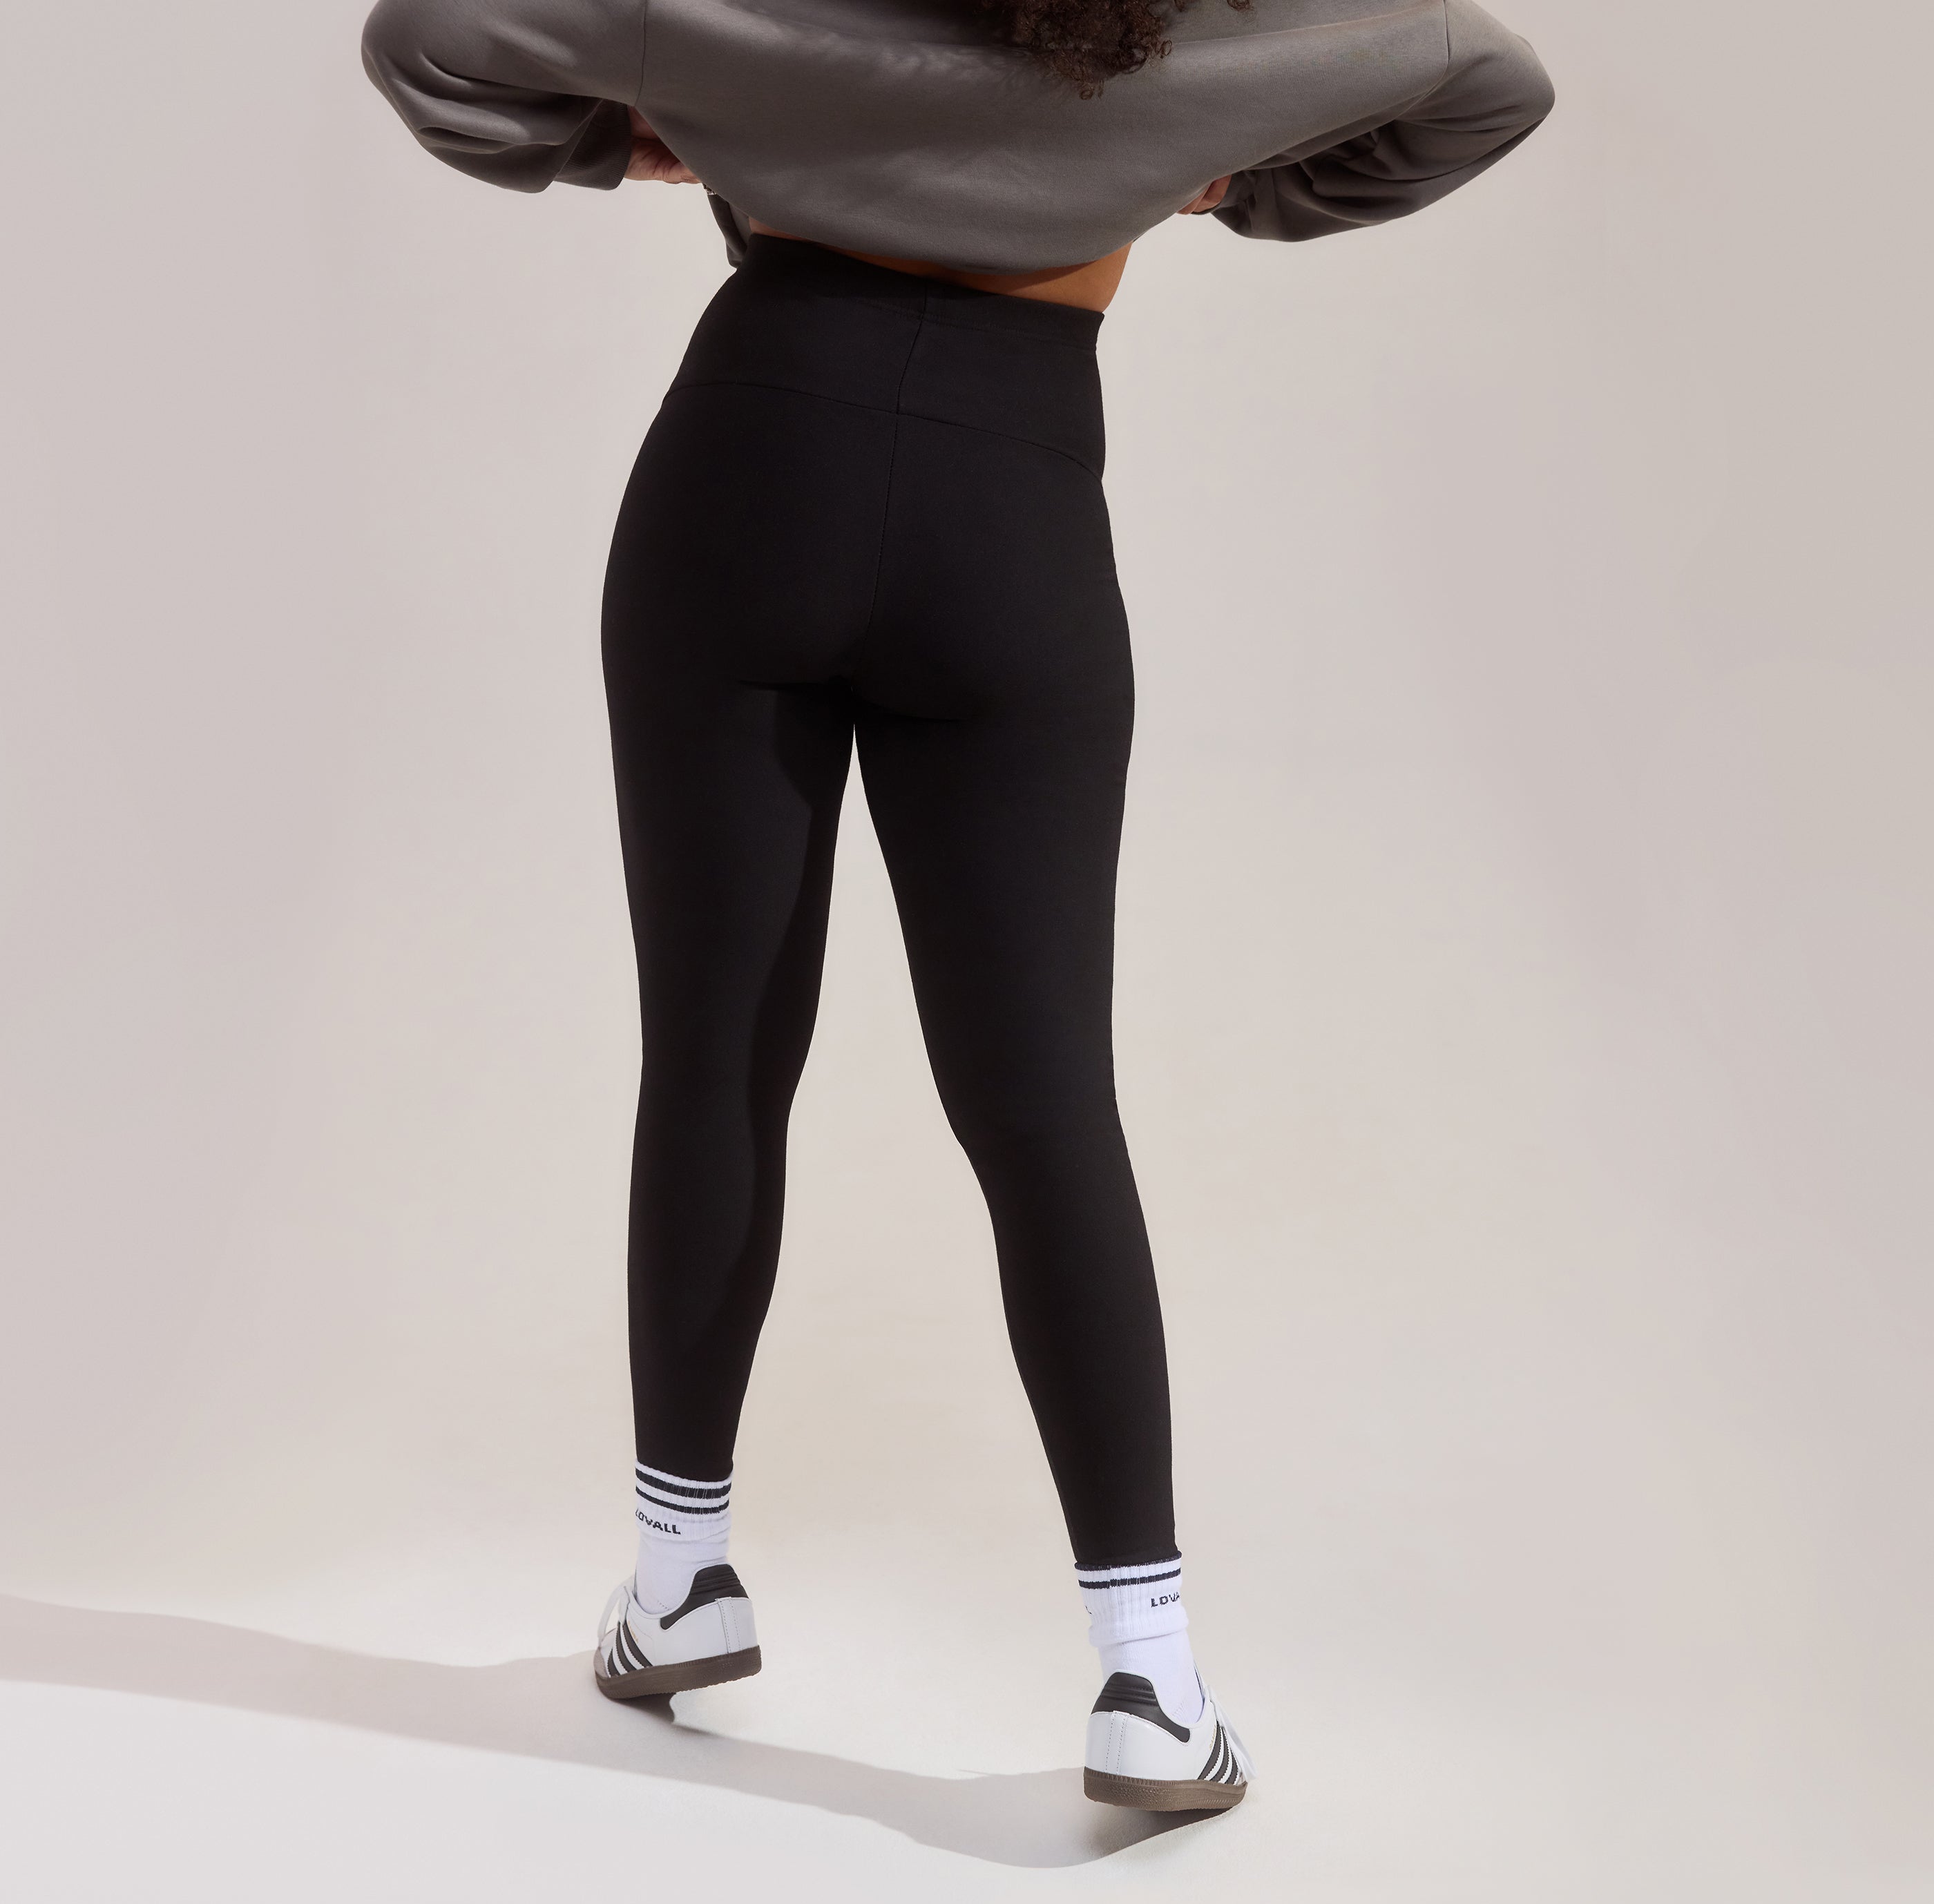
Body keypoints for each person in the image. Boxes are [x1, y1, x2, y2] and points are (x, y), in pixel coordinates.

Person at [362, 0, 1553, 1812]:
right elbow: (1487, 80)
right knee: (1045, 1099)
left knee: (716, 1054)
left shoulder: (758, 12)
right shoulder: (1186, 46)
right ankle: (1149, 1676)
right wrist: (1229, 185)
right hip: (1015, 511)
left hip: (748, 469)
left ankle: (679, 1585)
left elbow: (432, 35)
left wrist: (634, 139)